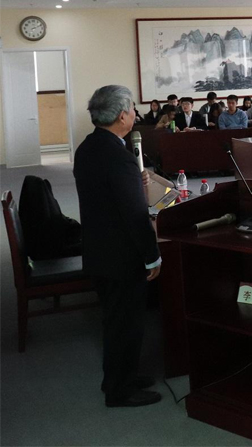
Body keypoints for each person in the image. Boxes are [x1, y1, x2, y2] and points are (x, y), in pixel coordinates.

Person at [74, 85, 162, 407]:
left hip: (99, 249)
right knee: (126, 324)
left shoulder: (88, 147)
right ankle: (120, 391)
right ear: (123, 115)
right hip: (121, 256)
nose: (135, 114)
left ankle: (119, 377)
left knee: (115, 322)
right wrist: (152, 256)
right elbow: (134, 214)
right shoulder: (118, 156)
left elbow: (106, 193)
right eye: (133, 109)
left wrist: (135, 182)